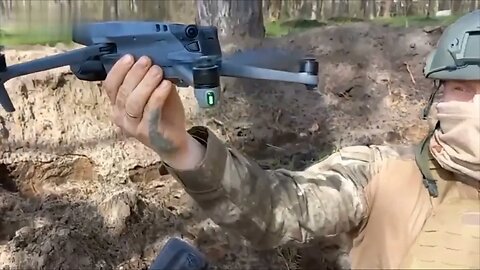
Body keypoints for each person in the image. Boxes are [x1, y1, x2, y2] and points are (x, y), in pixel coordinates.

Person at [103, 10, 480, 269]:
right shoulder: (385, 175)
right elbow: (277, 208)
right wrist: (183, 149)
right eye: (463, 87)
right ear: (439, 93)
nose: (475, 102)